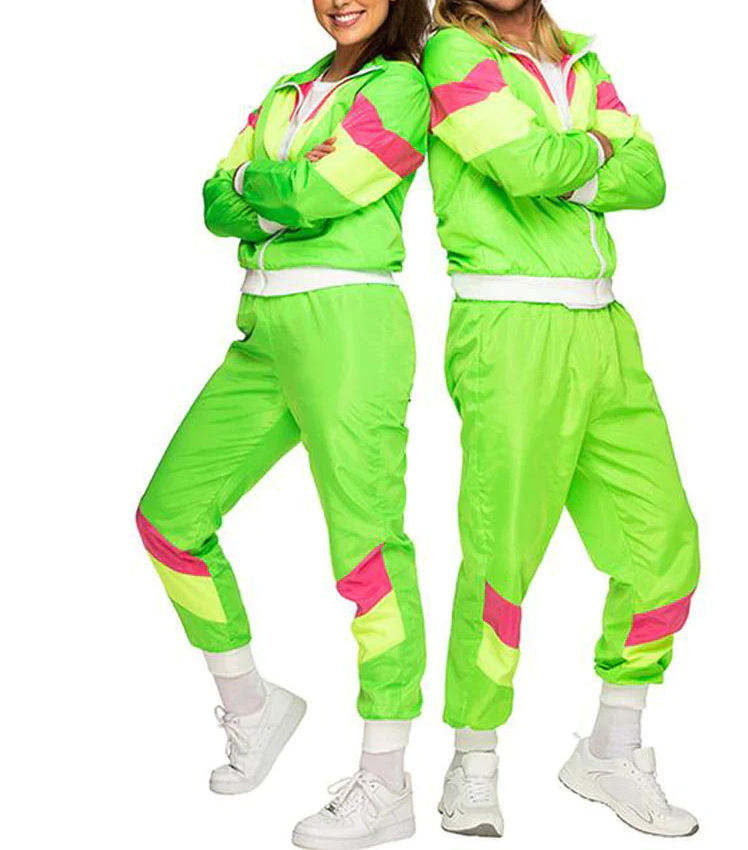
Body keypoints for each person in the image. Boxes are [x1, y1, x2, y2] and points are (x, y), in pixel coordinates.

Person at [135, 2, 431, 847]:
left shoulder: (402, 88)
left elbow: (322, 191)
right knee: (168, 520)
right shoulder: (288, 90)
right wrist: (280, 195)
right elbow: (213, 202)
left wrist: (263, 190)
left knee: (368, 550)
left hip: (349, 328)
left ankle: (386, 780)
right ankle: (253, 704)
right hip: (262, 331)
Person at [422, 0, 700, 838]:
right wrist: (596, 156)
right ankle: (473, 761)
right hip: (509, 328)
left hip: (606, 327)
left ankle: (612, 750)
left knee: (663, 547)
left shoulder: (580, 59)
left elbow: (651, 177)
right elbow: (520, 165)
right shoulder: (451, 54)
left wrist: (567, 165)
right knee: (501, 554)